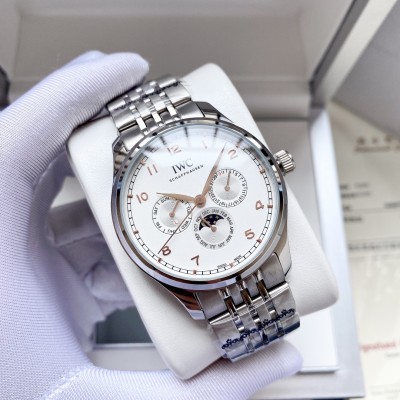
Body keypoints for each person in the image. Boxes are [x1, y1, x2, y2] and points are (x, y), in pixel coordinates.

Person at [0, 51, 302, 399]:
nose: (200, 201)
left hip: (253, 252)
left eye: (202, 196)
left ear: (276, 165)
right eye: (192, 201)